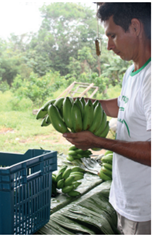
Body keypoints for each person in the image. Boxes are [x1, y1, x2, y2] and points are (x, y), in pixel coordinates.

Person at [64, 3, 151, 235]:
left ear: (135, 27)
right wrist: (85, 104)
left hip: (146, 211)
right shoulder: (132, 71)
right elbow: (122, 105)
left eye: (113, 35)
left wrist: (99, 142)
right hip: (125, 202)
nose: (109, 46)